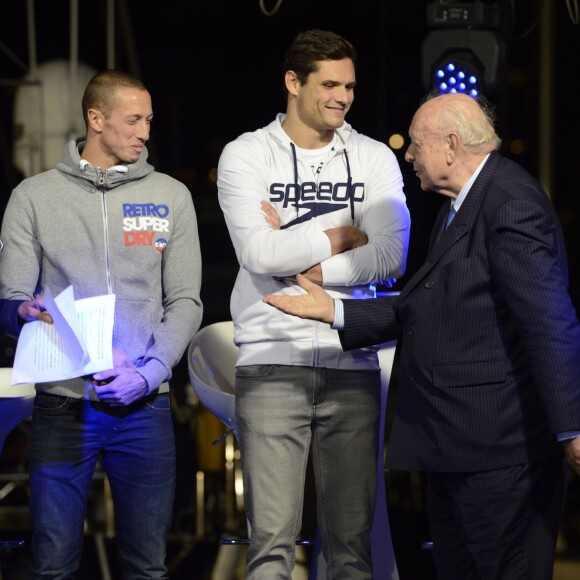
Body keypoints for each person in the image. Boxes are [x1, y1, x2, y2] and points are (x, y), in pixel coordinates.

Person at [263, 91, 580, 580]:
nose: (407, 155)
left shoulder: (510, 203)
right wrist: (337, 311)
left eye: (415, 144)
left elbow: (549, 320)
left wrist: (572, 426)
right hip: (458, 448)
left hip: (502, 456)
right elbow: (431, 305)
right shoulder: (462, 205)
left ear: (451, 145)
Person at [217, 28, 410, 579]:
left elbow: (392, 255)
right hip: (271, 360)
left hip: (352, 360)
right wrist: (344, 233)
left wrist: (305, 258)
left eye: (349, 85)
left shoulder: (373, 157)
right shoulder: (247, 153)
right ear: (292, 82)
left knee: (351, 549)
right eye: (329, 84)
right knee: (272, 546)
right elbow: (258, 250)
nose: (342, 97)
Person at [0, 69, 203, 579]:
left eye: (149, 120)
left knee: (146, 569)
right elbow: (10, 299)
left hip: (144, 405)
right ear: (96, 119)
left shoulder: (171, 196)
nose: (145, 132)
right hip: (62, 406)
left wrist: (150, 372)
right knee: (51, 567)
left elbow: (186, 302)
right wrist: (21, 312)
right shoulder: (34, 196)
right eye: (133, 120)